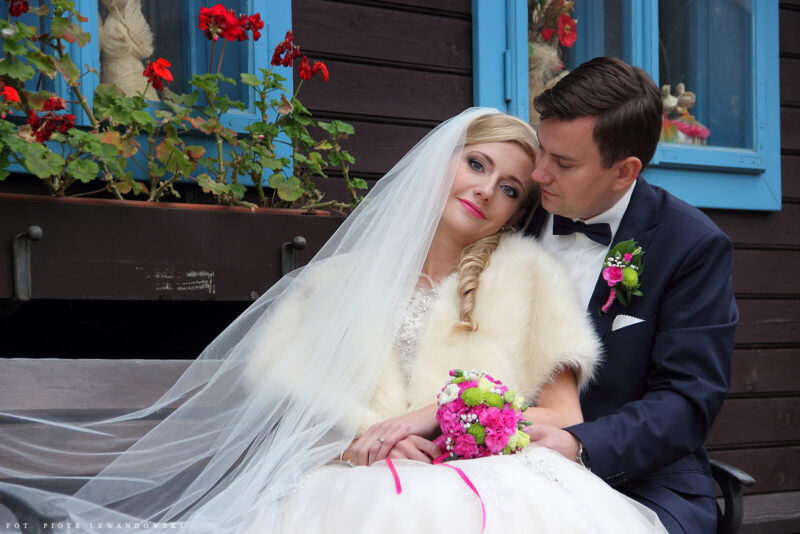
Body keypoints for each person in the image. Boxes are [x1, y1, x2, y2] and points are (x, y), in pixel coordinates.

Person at [0, 109, 664, 534]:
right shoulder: (332, 284)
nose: (486, 189)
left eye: (511, 189)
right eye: (476, 164)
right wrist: (364, 443)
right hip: (363, 479)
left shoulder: (531, 278)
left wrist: (450, 421)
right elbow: (291, 418)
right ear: (443, 161)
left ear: (516, 212)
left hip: (491, 474)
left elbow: (564, 416)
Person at [522, 57, 739, 534]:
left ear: (624, 172)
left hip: (638, 483)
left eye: (563, 163)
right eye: (540, 149)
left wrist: (580, 446)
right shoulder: (514, 210)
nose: (538, 174)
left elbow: (687, 399)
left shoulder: (692, 246)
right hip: (500, 464)